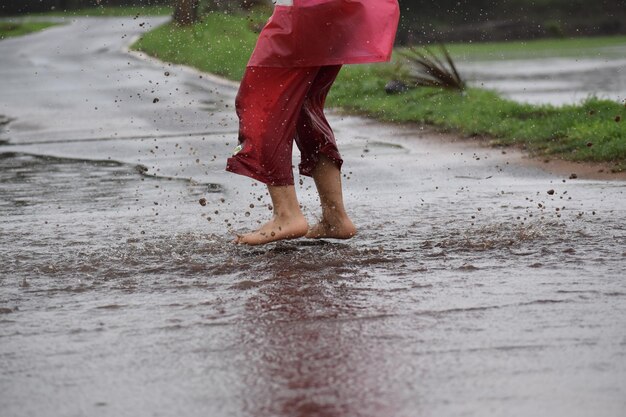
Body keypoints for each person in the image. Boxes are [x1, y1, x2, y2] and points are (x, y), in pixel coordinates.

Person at [226, 0, 400, 245]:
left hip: (303, 12)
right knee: (303, 106)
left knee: (259, 101)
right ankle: (334, 217)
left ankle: (286, 215)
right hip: (334, 12)